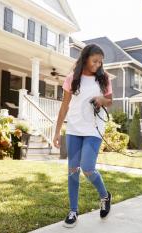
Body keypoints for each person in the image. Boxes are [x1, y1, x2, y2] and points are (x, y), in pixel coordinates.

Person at [53, 44, 113, 228]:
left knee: (87, 168)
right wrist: (57, 132)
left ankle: (105, 196)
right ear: (85, 58)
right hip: (74, 128)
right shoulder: (73, 79)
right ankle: (73, 210)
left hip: (94, 129)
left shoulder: (103, 79)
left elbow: (110, 101)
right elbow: (64, 106)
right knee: (72, 170)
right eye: (95, 60)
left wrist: (101, 100)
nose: (98, 64)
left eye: (100, 62)